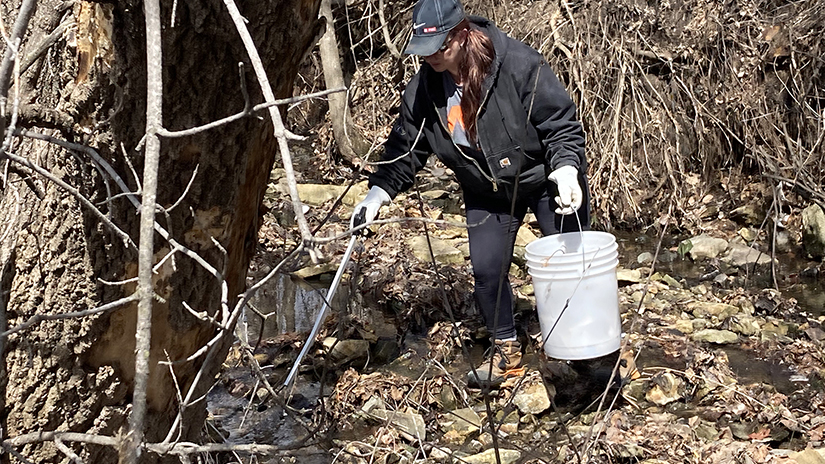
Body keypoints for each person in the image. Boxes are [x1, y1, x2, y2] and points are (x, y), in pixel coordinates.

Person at [352, 0, 590, 387]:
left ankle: (587, 349)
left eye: (439, 48)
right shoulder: (425, 88)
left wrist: (566, 169)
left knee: (571, 266)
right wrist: (377, 193)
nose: (430, 57)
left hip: (546, 179)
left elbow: (560, 124)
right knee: (487, 272)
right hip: (486, 189)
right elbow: (405, 148)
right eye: (423, 50)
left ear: (461, 34)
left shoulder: (518, 63)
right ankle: (507, 351)